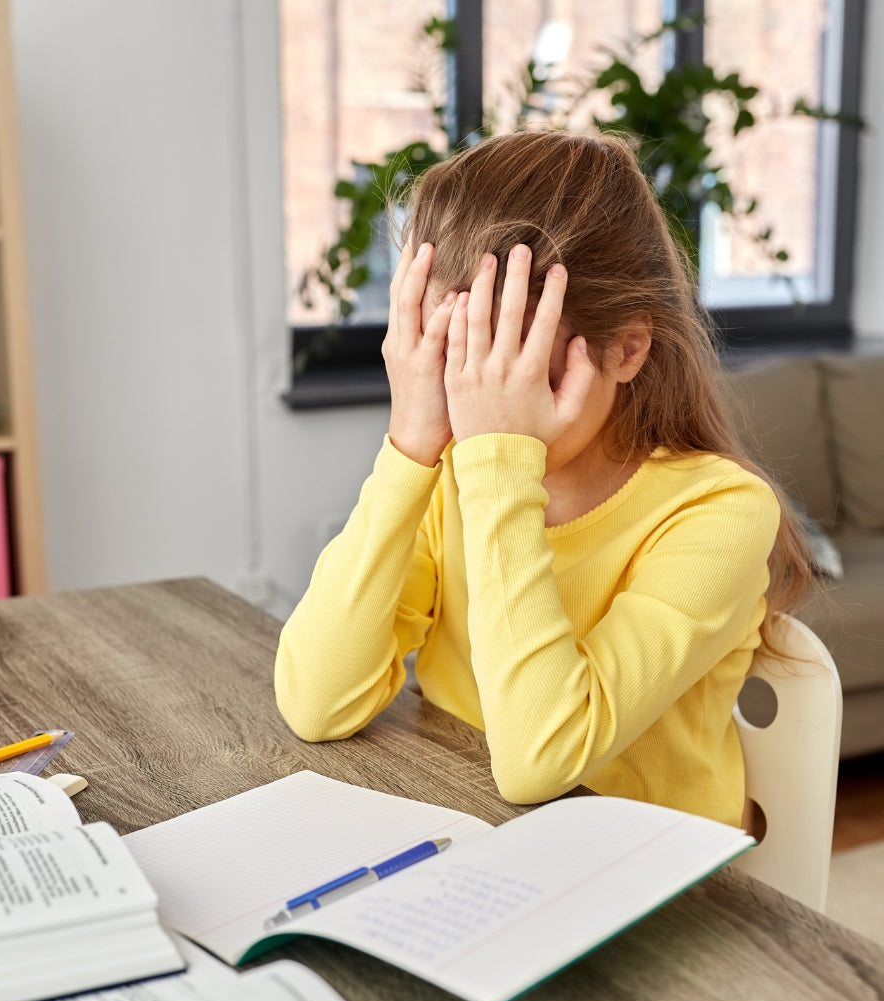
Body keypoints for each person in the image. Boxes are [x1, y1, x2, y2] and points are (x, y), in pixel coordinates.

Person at [275, 130, 813, 827]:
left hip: (649, 875)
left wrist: (500, 463)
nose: (482, 396)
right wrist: (409, 447)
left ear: (627, 349)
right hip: (472, 827)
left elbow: (540, 758)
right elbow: (318, 701)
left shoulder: (721, 511)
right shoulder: (450, 471)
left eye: (524, 364)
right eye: (456, 352)